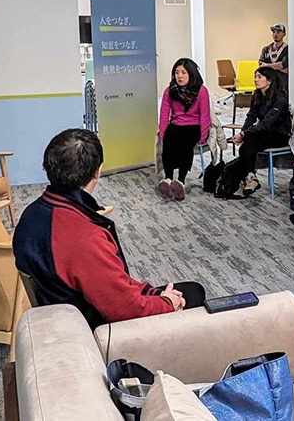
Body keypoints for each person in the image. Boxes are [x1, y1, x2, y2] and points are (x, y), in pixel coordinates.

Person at [13, 129, 205, 328]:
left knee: (189, 290)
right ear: (97, 171)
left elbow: (111, 283)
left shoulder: (32, 213)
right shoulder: (82, 237)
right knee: (193, 295)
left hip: (64, 311)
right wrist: (167, 303)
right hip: (94, 329)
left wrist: (152, 293)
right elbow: (124, 309)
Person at [232, 66, 292, 195]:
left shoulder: (280, 99)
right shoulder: (257, 95)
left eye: (259, 77)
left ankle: (246, 179)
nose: (256, 80)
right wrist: (243, 132)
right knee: (248, 142)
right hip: (264, 132)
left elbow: (267, 123)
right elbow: (251, 116)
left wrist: (244, 134)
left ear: (269, 81)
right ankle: (250, 177)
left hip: (280, 134)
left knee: (247, 144)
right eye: (255, 76)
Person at [157, 58, 211, 201]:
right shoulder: (170, 91)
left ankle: (180, 180)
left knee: (185, 143)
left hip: (193, 126)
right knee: (168, 141)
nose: (179, 76)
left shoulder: (201, 91)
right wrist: (163, 133)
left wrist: (203, 136)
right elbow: (164, 113)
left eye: (183, 72)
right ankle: (168, 180)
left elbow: (205, 115)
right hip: (175, 124)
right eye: (176, 72)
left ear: (191, 74)